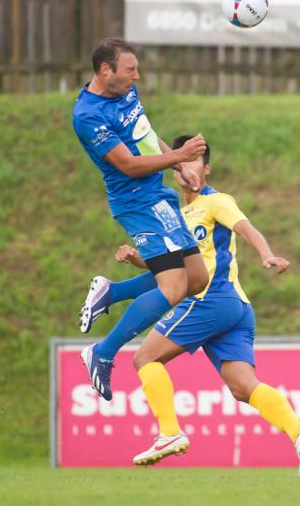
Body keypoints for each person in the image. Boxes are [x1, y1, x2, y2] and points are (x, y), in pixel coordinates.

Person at [96, 135, 300, 476]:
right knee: (242, 386)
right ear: (174, 169)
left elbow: (246, 228)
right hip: (232, 308)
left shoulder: (215, 201)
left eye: (194, 161)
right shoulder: (175, 216)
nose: (187, 168)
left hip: (211, 299)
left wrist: (267, 254)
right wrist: (138, 259)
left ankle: (170, 433)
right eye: (181, 162)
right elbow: (172, 269)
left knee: (145, 358)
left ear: (206, 169)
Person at [72, 38, 209, 401]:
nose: (137, 76)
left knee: (196, 278)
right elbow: (129, 165)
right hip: (136, 201)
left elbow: (144, 134)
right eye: (130, 69)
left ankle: (112, 292)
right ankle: (102, 352)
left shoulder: (124, 91)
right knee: (173, 287)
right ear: (106, 70)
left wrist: (178, 165)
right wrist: (180, 155)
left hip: (158, 194)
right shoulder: (88, 115)